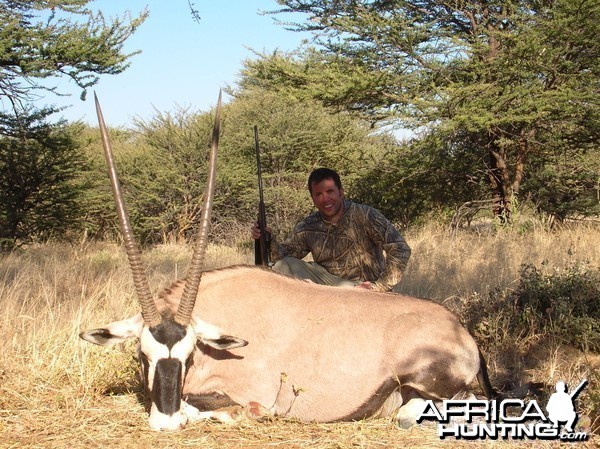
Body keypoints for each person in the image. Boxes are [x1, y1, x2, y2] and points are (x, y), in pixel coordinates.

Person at [251, 167, 411, 292]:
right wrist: (266, 239)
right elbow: (281, 256)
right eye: (318, 194)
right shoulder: (308, 225)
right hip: (328, 288)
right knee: (282, 266)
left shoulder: (365, 215)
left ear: (341, 192)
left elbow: (400, 248)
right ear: (312, 198)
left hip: (364, 288)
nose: (325, 199)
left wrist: (379, 287)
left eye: (330, 192)